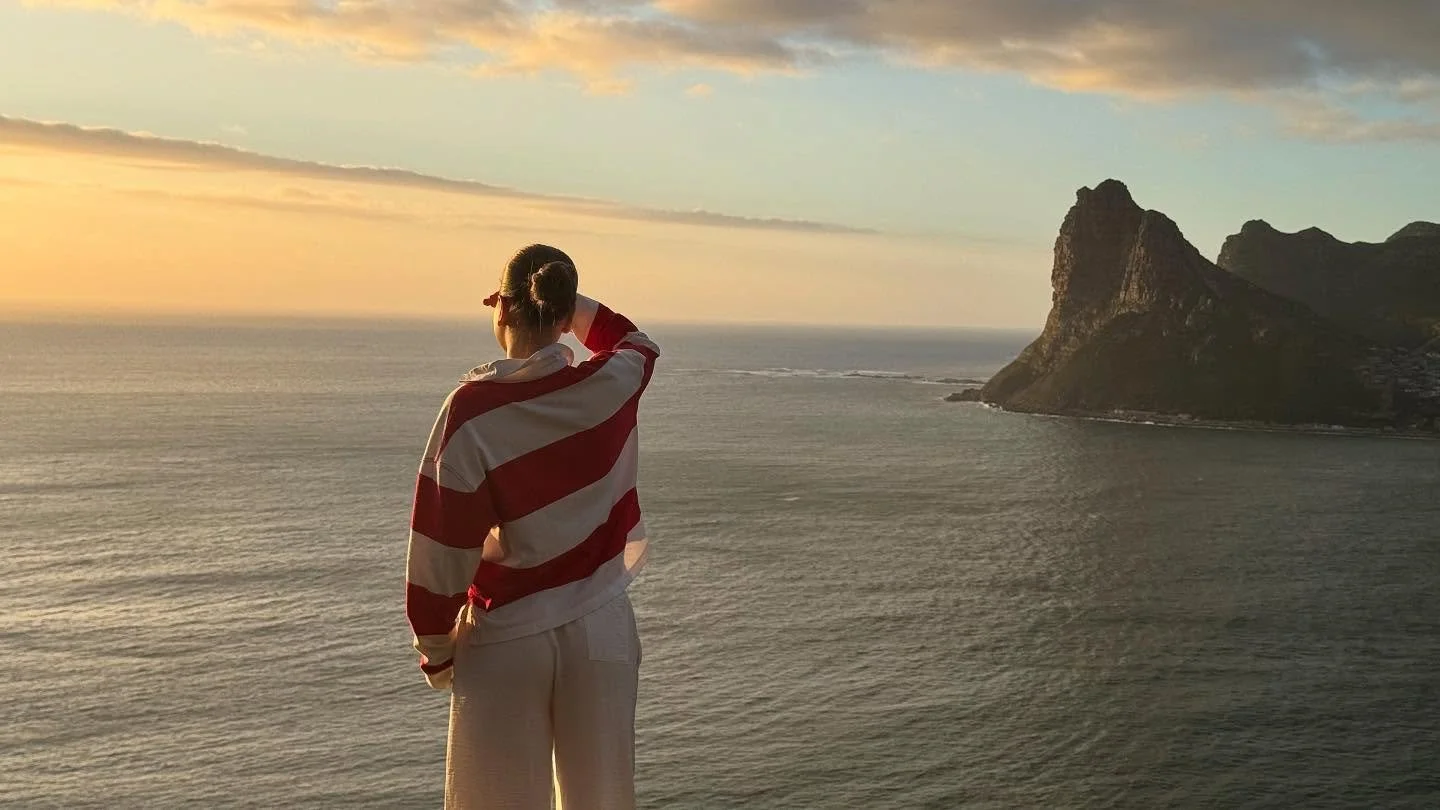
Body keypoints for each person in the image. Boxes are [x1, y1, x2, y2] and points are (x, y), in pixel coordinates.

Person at [403, 244, 659, 809]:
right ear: (565, 316)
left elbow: (441, 548)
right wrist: (572, 307)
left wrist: (438, 649)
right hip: (602, 623)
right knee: (604, 798)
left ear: (503, 310)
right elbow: (637, 341)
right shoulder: (609, 382)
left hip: (509, 635)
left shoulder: (472, 411)